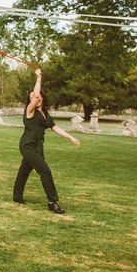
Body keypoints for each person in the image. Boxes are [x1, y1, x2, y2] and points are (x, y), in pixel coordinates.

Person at [12, 68, 80, 214]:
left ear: (42, 98)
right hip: (27, 145)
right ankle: (52, 202)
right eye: (31, 97)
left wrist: (70, 137)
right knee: (45, 171)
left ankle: (17, 196)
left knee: (24, 170)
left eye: (36, 96)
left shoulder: (45, 114)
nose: (34, 98)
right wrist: (38, 78)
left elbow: (55, 128)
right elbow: (35, 96)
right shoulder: (29, 111)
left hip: (38, 146)